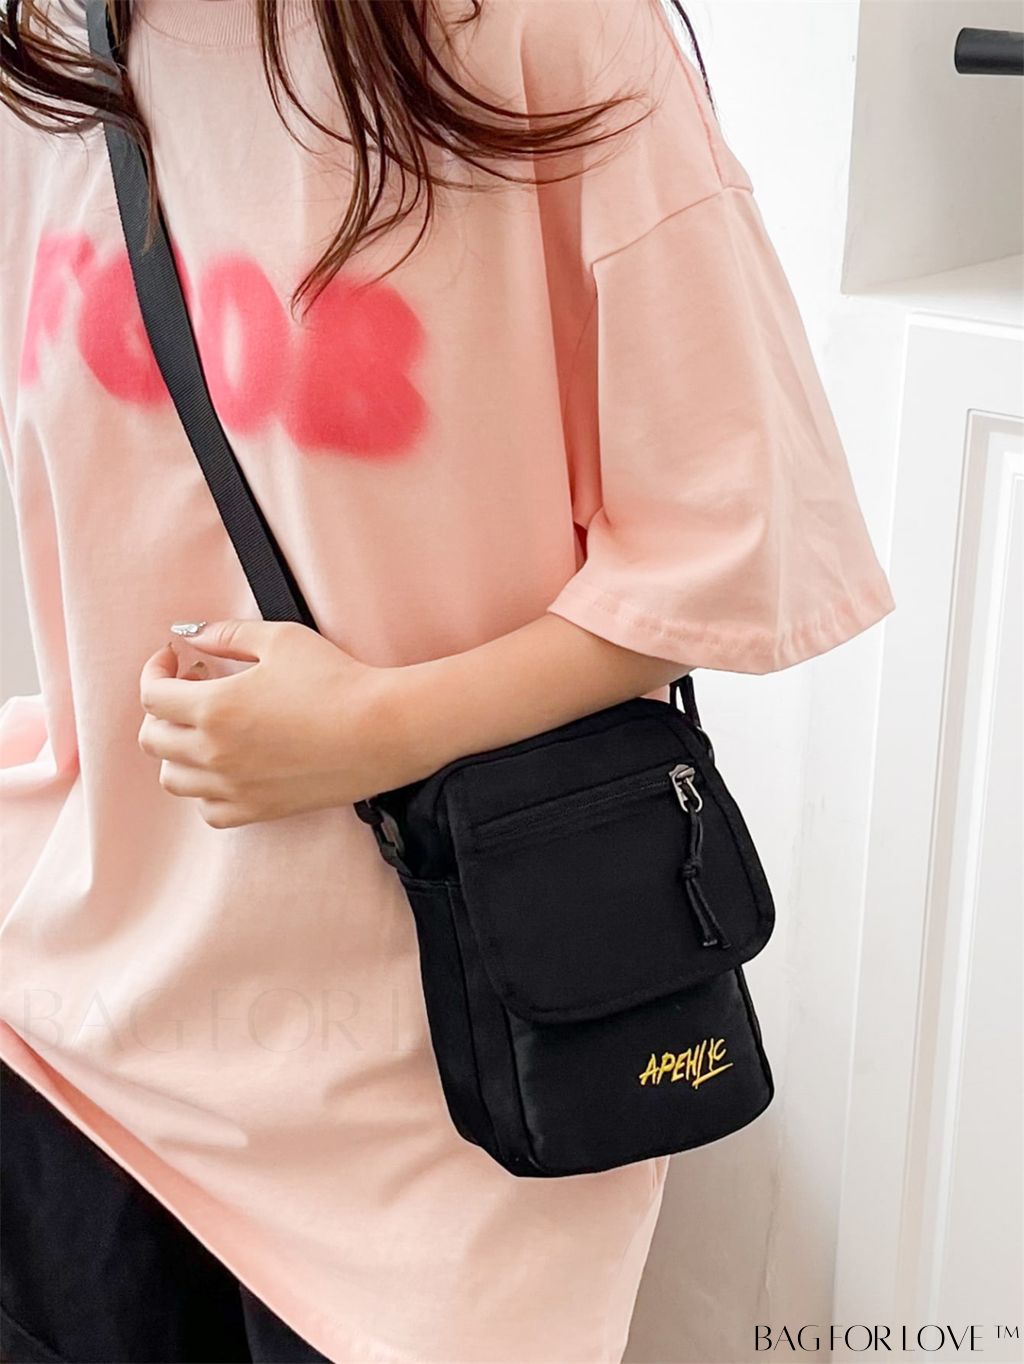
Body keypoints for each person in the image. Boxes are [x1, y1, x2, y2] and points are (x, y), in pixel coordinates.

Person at [0, 1, 896, 1360]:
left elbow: (736, 553)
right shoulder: (50, 47)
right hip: (79, 1048)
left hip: (456, 1094)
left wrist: (376, 726)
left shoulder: (546, 34)